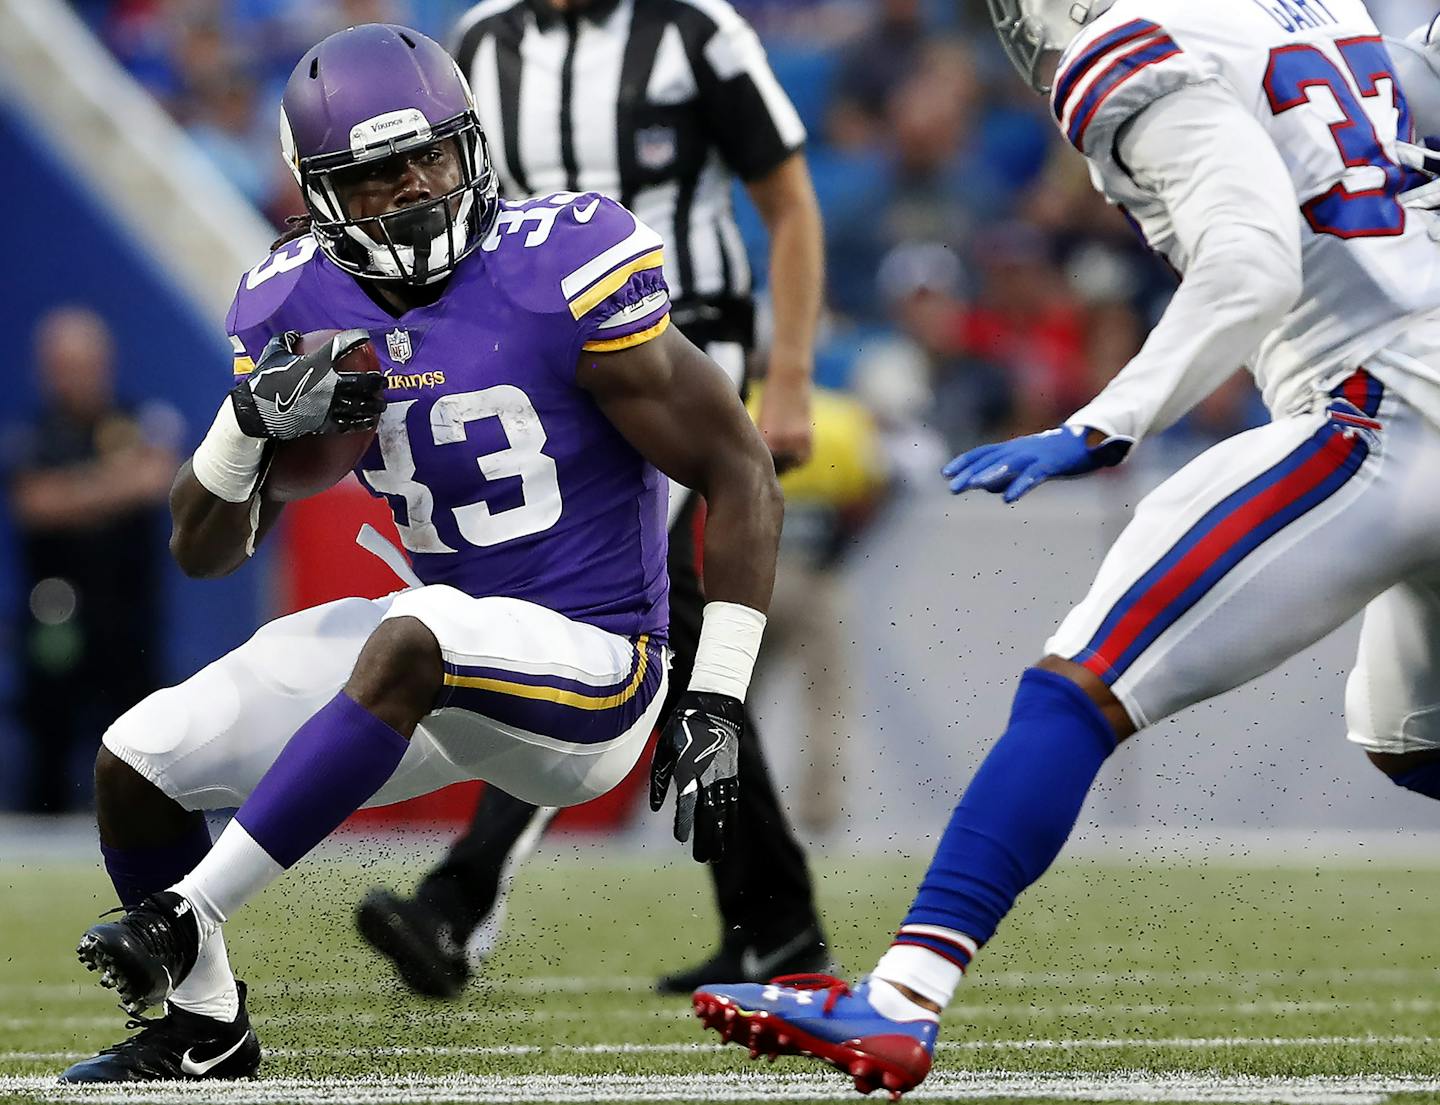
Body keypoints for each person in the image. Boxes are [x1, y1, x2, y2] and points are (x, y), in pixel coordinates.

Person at [692, 0, 1440, 1097]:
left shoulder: (1131, 43)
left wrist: (1103, 421)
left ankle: (900, 1000)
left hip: (1376, 415)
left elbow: (1249, 264)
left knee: (1075, 691)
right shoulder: (1314, 10)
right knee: (1409, 737)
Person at [60, 23, 783, 1083]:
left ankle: (186, 913)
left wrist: (715, 698)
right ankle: (202, 1029)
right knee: (141, 754)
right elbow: (204, 550)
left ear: (470, 145)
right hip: (439, 669)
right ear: (318, 192)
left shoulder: (562, 264)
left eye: (430, 156)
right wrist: (242, 425)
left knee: (414, 629)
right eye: (377, 173)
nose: (413, 189)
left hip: (598, 672)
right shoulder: (298, 304)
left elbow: (741, 470)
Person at [353, 0, 829, 1000]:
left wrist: (788, 372)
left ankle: (462, 897)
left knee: (590, 611)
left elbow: (787, 198)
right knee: (670, 627)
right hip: (539, 356)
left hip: (678, 349)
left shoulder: (696, 31)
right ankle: (777, 922)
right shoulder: (480, 42)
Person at [6, 308, 178, 813]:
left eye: (82, 363)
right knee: (49, 738)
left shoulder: (139, 421)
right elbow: (36, 503)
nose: (72, 376)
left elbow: (157, 478)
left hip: (128, 619)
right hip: (56, 617)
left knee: (142, 747)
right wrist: (114, 483)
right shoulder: (33, 435)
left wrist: (77, 492)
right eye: (61, 365)